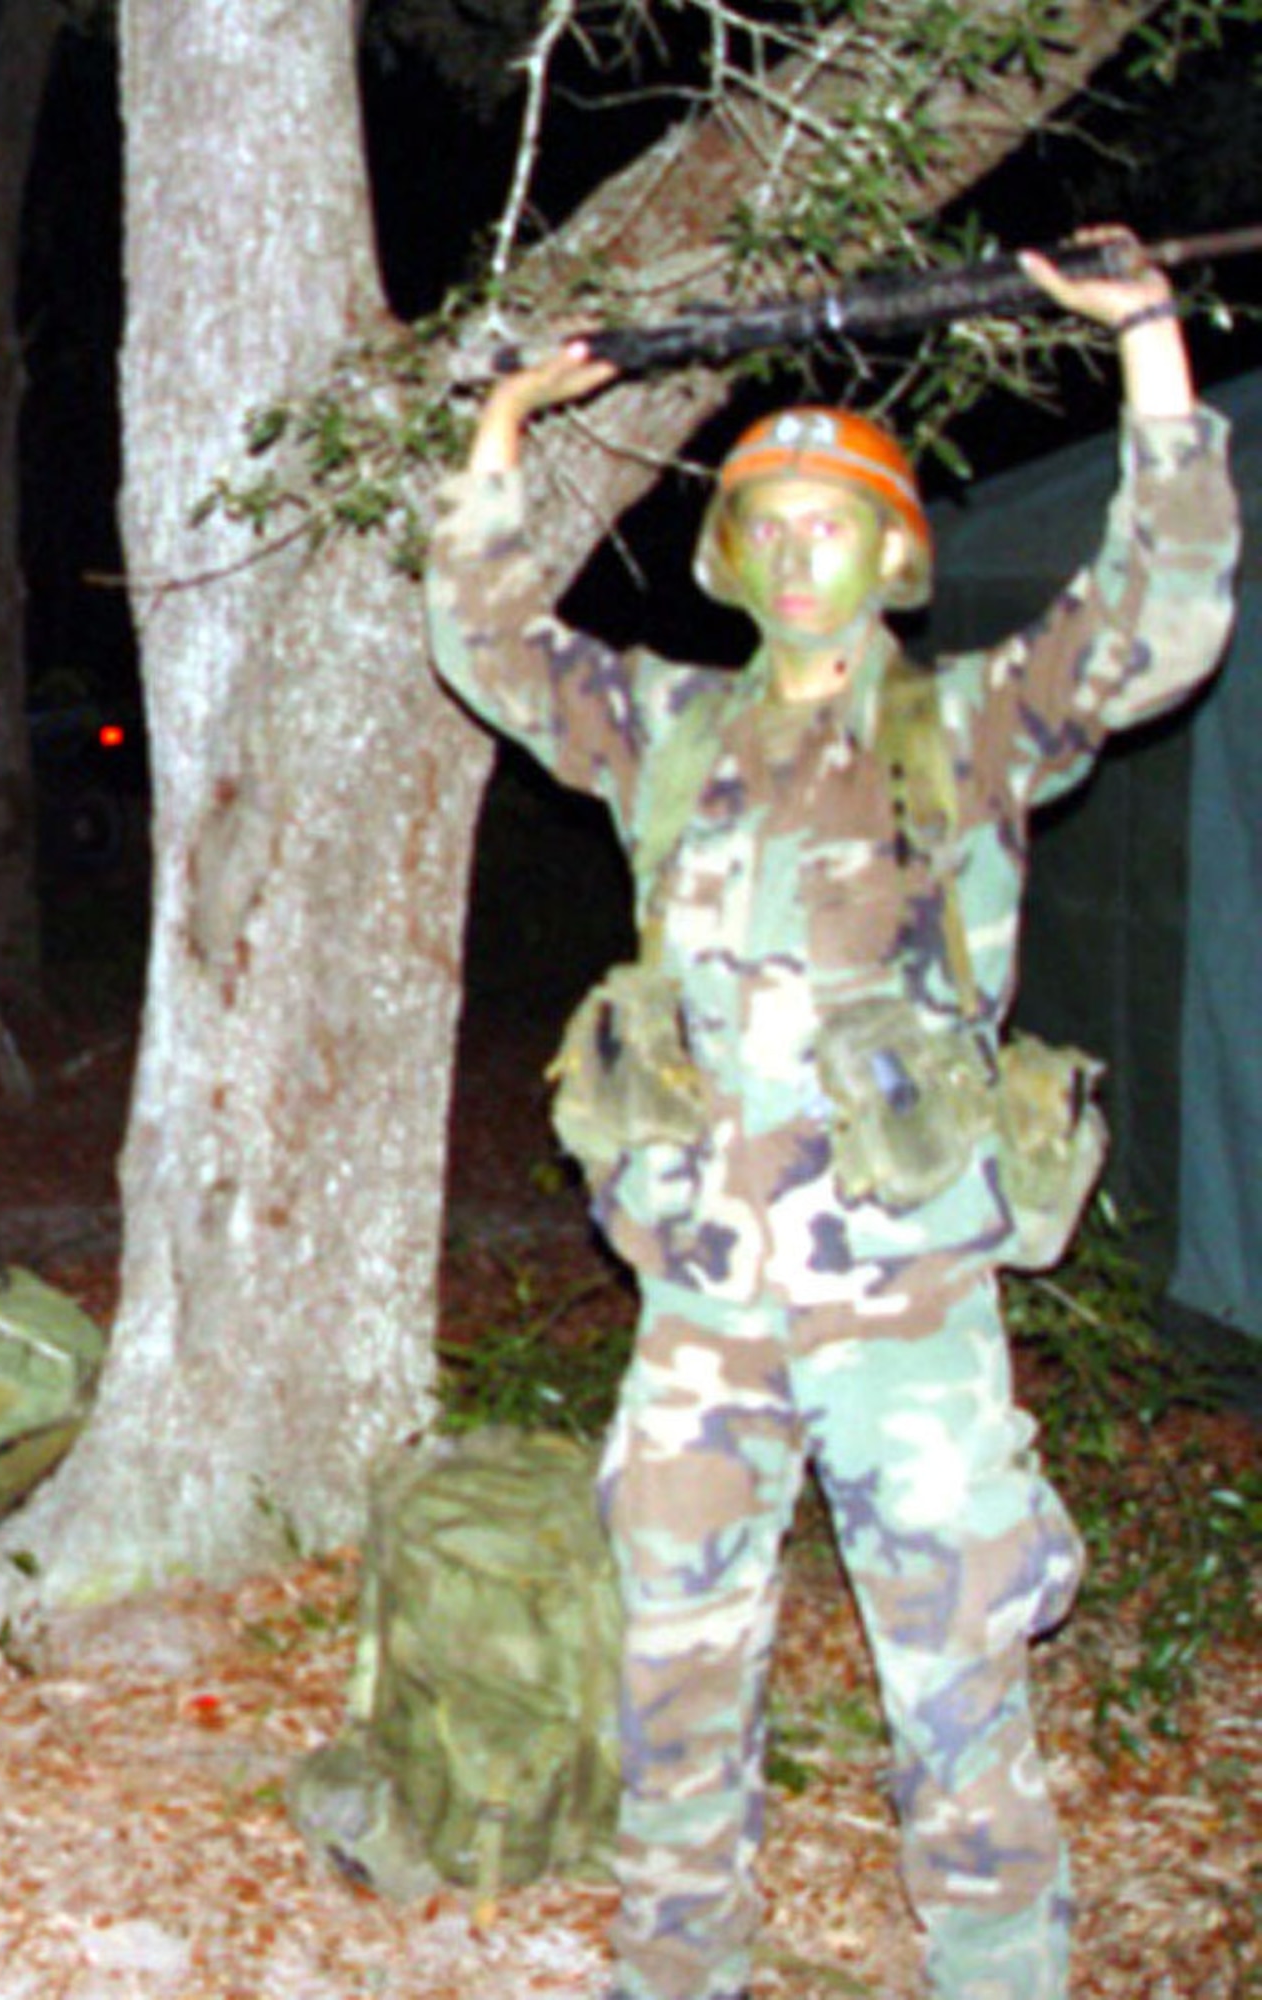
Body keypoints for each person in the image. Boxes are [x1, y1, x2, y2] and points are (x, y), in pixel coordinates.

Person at [425, 231, 1238, 2000]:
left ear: (889, 559)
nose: (801, 560)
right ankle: (677, 1966)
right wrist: (502, 434)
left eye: (834, 531)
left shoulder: (970, 722)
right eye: (770, 533)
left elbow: (1164, 618)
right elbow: (485, 642)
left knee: (958, 1679)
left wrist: (1153, 353)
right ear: (735, 563)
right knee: (677, 1674)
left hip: (908, 1321)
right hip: (703, 1313)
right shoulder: (665, 725)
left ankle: (1000, 1968)